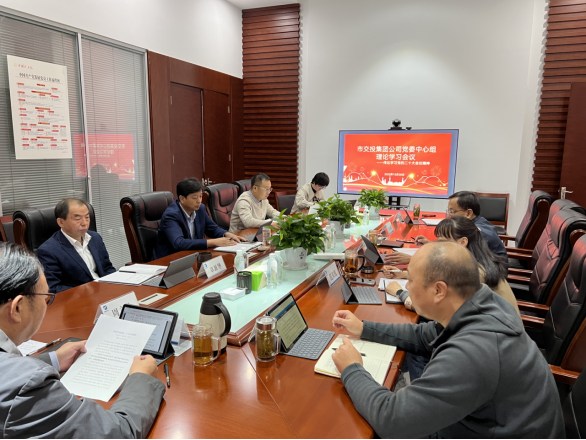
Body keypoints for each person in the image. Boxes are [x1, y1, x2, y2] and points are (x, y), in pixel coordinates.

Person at [331, 241, 564, 438]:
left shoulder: (472, 352)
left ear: (439, 291)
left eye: (410, 280)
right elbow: (424, 335)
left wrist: (352, 368)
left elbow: (393, 421)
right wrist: (364, 328)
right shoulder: (482, 303)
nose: (406, 286)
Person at [0, 242, 165, 438]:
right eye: (46, 298)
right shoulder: (27, 386)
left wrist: (53, 360)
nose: (47, 304)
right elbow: (116, 434)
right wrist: (141, 377)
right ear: (17, 308)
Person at [386, 216, 520, 316]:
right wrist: (403, 275)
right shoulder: (474, 261)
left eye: (442, 241)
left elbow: (436, 310)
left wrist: (400, 293)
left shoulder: (471, 273)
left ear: (462, 242)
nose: (437, 246)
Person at [385, 190, 507, 265]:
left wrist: (414, 260)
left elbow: (457, 262)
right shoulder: (471, 225)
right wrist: (430, 244)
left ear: (468, 213)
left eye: (452, 211)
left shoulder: (478, 232)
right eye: (448, 211)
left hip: (490, 279)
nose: (448, 216)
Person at [37, 198, 116, 293]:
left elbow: (107, 268)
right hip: (79, 298)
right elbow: (53, 287)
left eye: (87, 217)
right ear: (61, 222)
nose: (84, 223)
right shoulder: (48, 250)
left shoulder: (95, 238)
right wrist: (88, 290)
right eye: (78, 218)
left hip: (104, 291)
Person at [153, 178, 243, 258]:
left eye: (200, 196)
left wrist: (227, 234)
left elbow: (212, 229)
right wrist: (213, 242)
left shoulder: (200, 209)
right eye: (194, 198)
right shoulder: (171, 215)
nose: (199, 201)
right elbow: (179, 243)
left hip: (192, 254)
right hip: (170, 259)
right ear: (182, 199)